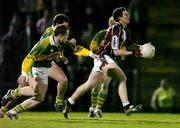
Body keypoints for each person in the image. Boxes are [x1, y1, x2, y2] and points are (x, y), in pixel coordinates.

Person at [0, 13, 96, 117]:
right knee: (25, 86)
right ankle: (4, 108)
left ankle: (58, 103)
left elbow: (58, 45)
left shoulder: (60, 34)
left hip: (48, 61)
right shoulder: (50, 33)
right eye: (64, 25)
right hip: (37, 62)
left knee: (62, 80)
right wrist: (24, 72)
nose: (66, 27)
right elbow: (44, 48)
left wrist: (61, 54)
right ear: (57, 24)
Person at [63, 7, 143, 119]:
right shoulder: (116, 29)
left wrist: (142, 48)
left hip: (103, 58)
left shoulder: (123, 31)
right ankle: (126, 106)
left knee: (89, 84)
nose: (128, 16)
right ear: (120, 18)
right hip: (105, 57)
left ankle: (69, 101)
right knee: (122, 78)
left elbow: (130, 44)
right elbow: (116, 51)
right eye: (125, 14)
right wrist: (133, 53)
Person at [88, 16, 116, 118]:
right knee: (95, 87)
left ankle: (98, 109)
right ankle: (92, 107)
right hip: (99, 61)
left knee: (105, 85)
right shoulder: (101, 34)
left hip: (111, 63)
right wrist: (99, 52)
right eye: (113, 24)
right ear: (109, 25)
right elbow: (92, 46)